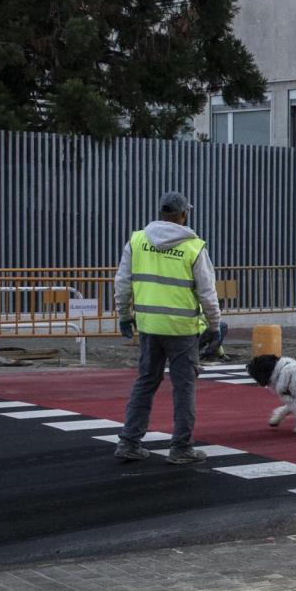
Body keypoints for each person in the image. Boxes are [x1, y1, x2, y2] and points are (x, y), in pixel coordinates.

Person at [114, 191, 222, 464]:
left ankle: (129, 441)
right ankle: (181, 448)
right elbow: (207, 292)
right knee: (184, 387)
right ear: (184, 214)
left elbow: (123, 282)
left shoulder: (137, 241)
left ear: (161, 213)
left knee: (145, 382)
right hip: (182, 330)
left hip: (149, 327)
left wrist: (124, 315)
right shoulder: (194, 247)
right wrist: (214, 325)